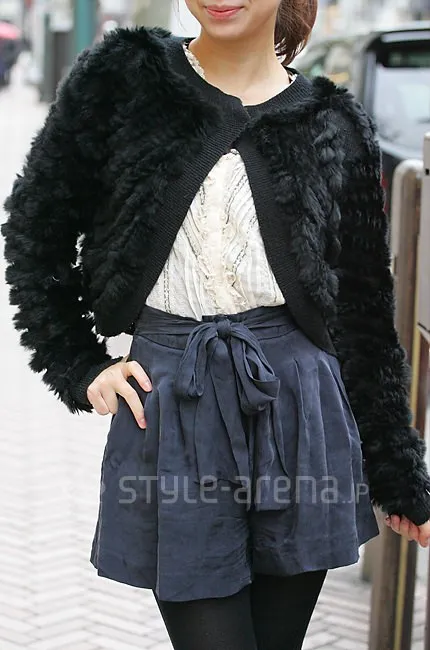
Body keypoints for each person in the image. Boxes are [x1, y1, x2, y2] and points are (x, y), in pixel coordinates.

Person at [2, 1, 430, 648]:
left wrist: (397, 473)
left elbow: (364, 308)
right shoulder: (125, 78)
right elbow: (36, 226)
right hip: (177, 404)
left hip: (301, 412)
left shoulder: (334, 121)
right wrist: (78, 363)